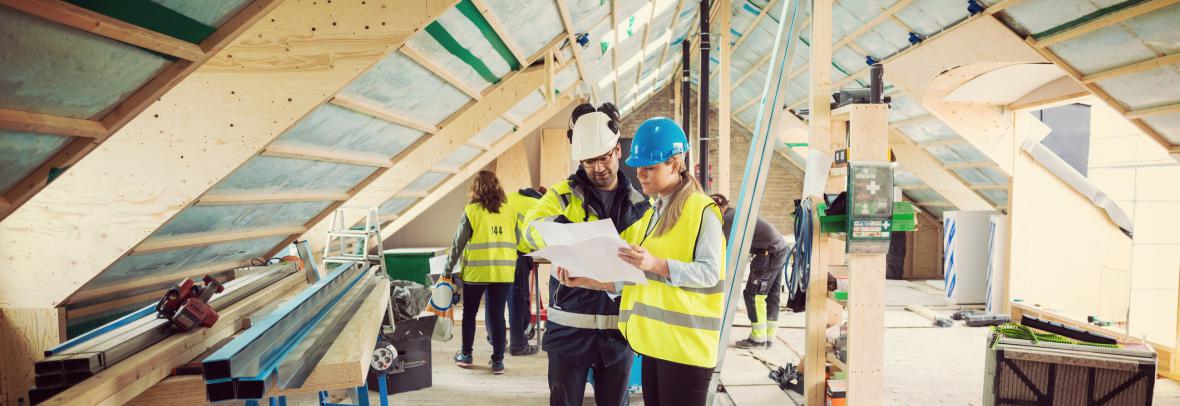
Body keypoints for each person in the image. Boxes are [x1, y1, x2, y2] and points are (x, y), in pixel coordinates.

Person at [522, 102, 652, 406]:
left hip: (618, 336)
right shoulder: (561, 196)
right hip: (568, 331)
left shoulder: (642, 207)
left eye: (605, 157)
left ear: (618, 151)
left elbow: (646, 268)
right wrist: (560, 227)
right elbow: (528, 232)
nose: (599, 167)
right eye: (589, 161)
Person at [614, 117, 727, 405]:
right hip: (657, 345)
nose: (640, 174)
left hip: (686, 352)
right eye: (638, 166)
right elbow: (641, 274)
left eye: (650, 167)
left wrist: (655, 264)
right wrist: (588, 279)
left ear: (675, 165)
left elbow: (709, 273)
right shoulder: (655, 210)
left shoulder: (702, 210)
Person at [444, 170, 517, 375]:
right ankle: (498, 362)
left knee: (469, 314)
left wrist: (447, 270)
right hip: (503, 273)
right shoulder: (510, 210)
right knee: (498, 317)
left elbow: (458, 244)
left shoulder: (471, 211)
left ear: (475, 189)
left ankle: (466, 355)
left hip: (476, 273)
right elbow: (518, 239)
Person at [710, 193, 790, 349]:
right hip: (779, 249)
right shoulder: (736, 213)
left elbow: (726, 249)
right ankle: (768, 337)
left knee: (754, 295)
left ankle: (758, 340)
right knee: (771, 296)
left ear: (718, 208)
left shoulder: (727, 219)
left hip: (768, 253)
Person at [503, 186, 547, 356]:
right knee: (518, 300)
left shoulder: (512, 196)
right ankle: (518, 345)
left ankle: (501, 338)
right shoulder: (539, 204)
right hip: (517, 255)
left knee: (510, 299)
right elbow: (539, 236)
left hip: (500, 253)